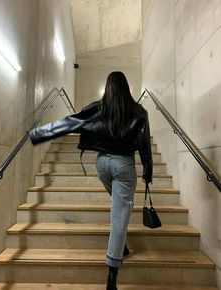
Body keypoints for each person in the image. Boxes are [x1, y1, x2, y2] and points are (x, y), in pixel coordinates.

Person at [29, 71, 153, 290]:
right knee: (121, 211)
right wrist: (148, 170)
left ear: (108, 87)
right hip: (124, 165)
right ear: (126, 87)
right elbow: (144, 143)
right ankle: (112, 274)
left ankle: (120, 242)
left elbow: (71, 122)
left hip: (102, 164)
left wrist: (40, 133)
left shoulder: (97, 107)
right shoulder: (139, 111)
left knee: (118, 206)